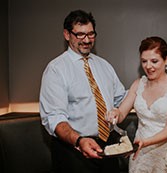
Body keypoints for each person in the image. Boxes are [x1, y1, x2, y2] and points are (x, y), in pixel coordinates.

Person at [39, 10, 126, 172]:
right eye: (80, 35)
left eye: (91, 34)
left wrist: (144, 87)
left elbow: (121, 99)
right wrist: (79, 140)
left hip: (107, 146)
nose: (86, 40)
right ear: (67, 34)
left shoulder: (104, 65)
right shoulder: (56, 69)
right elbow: (54, 117)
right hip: (73, 150)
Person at [107, 36, 167, 172]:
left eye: (154, 61)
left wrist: (146, 142)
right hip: (140, 154)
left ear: (166, 59)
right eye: (144, 61)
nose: (148, 66)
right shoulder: (138, 84)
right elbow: (121, 114)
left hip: (165, 152)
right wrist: (114, 113)